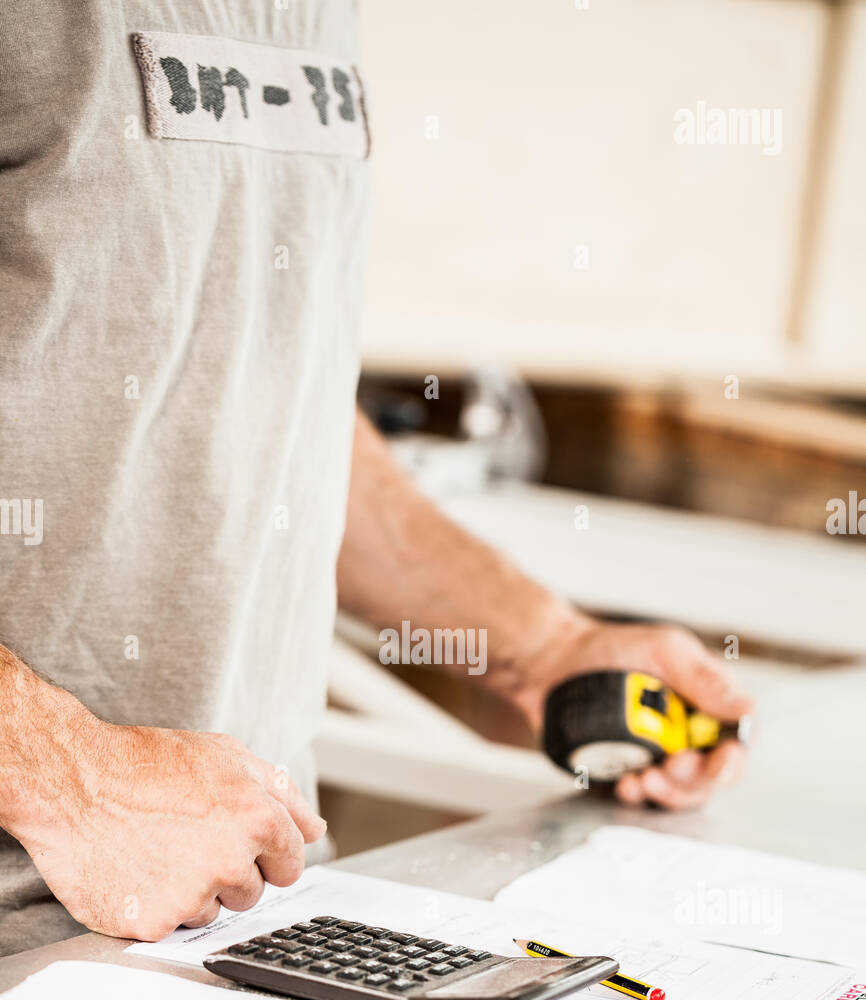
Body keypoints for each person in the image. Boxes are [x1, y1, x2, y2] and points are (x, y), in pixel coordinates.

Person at [0, 2, 750, 952]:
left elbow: (274, 398)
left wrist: (541, 645)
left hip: (241, 924)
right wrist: (68, 775)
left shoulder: (314, 17)